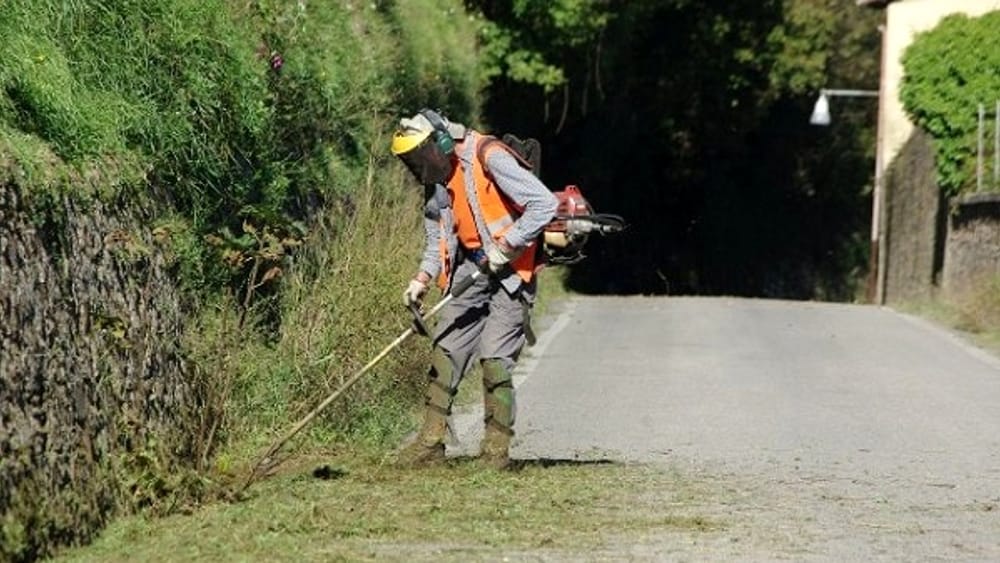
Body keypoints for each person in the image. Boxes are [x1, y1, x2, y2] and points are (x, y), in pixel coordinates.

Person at [391, 109, 558, 469]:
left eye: (420, 155)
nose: (418, 167)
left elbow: (545, 204)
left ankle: (496, 452)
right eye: (411, 161)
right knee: (446, 346)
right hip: (472, 266)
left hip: (514, 268)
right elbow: (437, 238)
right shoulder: (437, 181)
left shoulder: (489, 157)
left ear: (442, 142)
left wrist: (507, 245)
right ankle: (430, 444)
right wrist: (420, 279)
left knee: (494, 357)